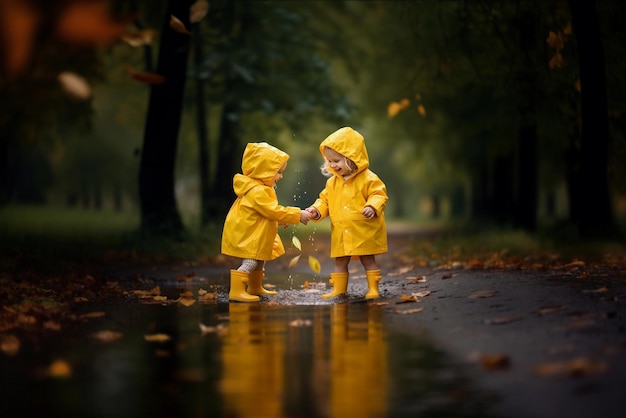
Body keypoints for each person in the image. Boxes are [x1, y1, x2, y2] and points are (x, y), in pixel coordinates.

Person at [222, 142, 312, 302]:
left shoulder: (258, 188)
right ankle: (236, 291)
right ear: (263, 171)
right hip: (251, 235)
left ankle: (255, 287)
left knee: (259, 261)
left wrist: (277, 220)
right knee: (251, 261)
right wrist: (297, 214)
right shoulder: (258, 191)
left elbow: (263, 213)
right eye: (277, 172)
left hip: (254, 231)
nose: (280, 176)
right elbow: (272, 210)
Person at [306, 127, 388, 299]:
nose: (333, 165)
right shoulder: (332, 183)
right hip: (341, 230)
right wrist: (316, 210)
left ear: (352, 158)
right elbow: (325, 200)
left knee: (368, 259)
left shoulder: (368, 178)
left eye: (337, 160)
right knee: (340, 261)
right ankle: (339, 289)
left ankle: (373, 289)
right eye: (329, 161)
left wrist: (372, 206)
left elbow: (378, 194)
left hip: (363, 228)